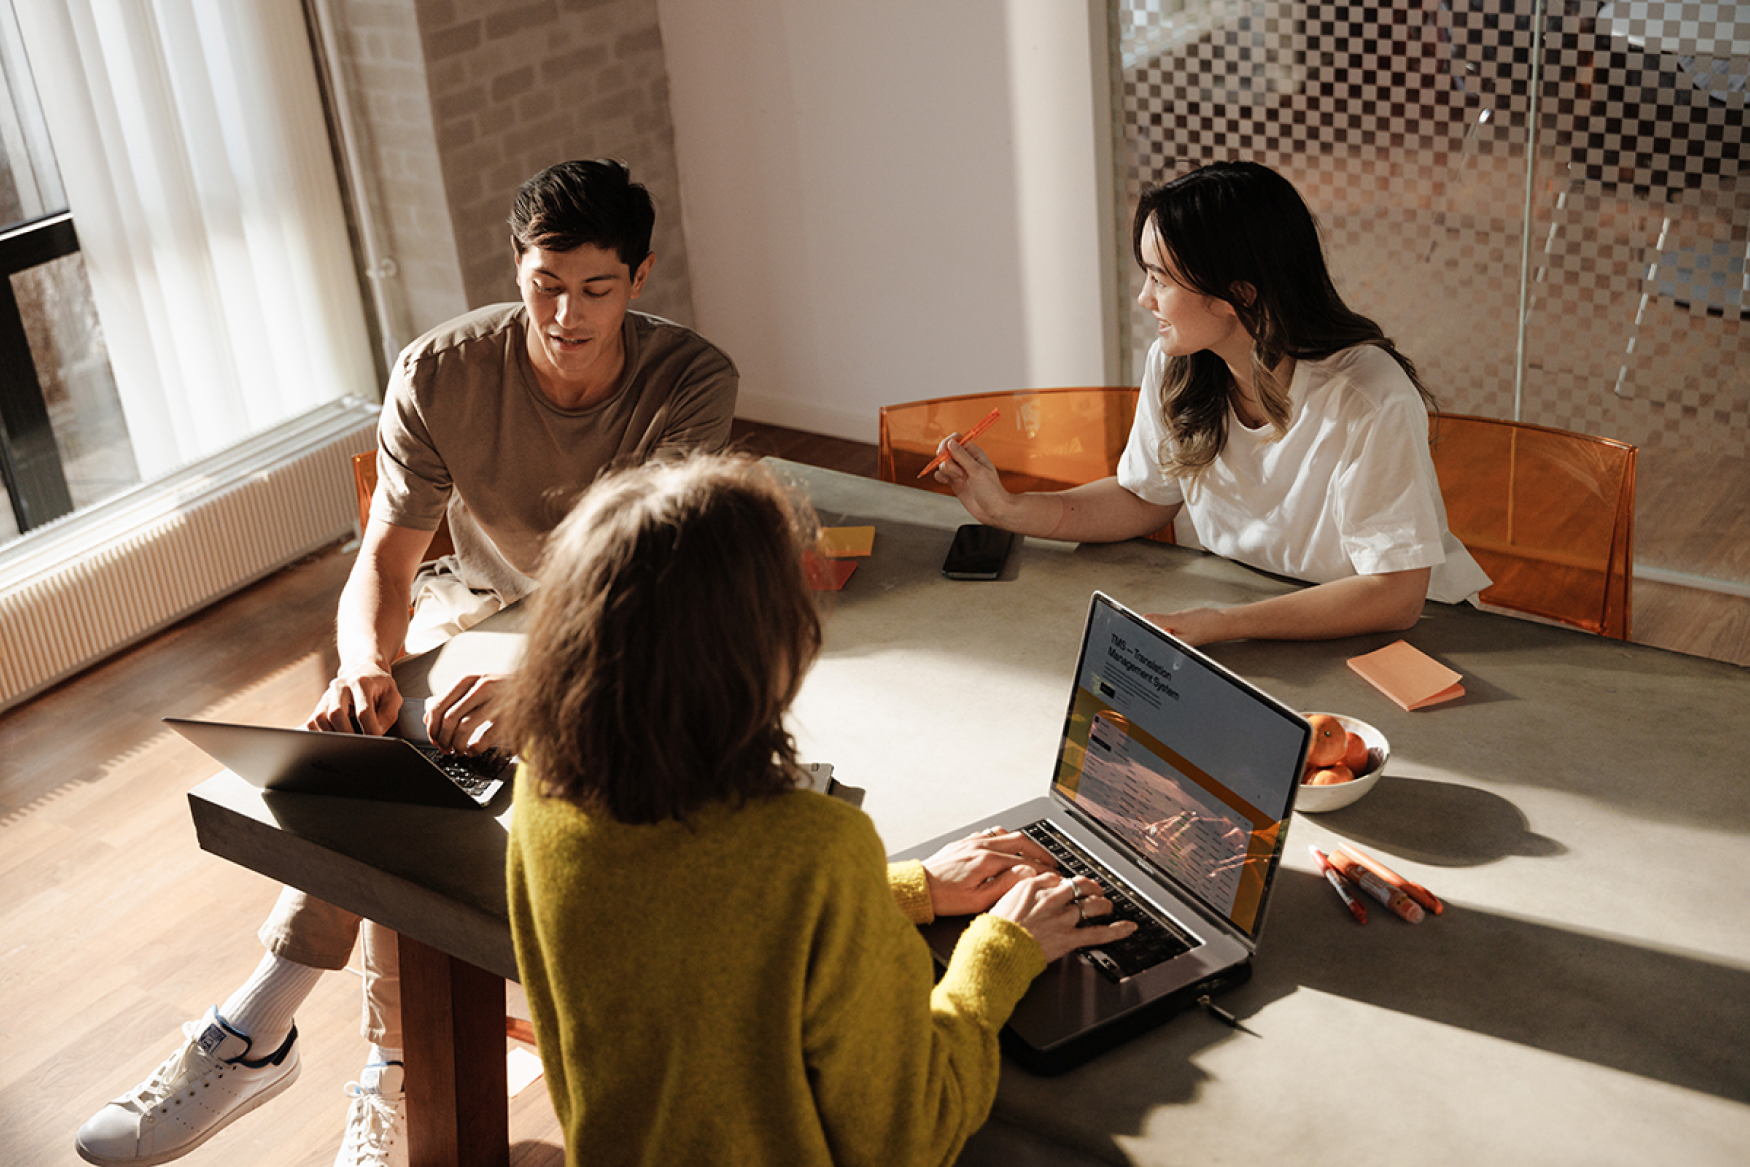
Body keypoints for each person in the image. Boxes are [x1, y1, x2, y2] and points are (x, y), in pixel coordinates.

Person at [76, 160, 738, 1167]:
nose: (567, 314)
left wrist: (544, 680)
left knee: (507, 777)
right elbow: (385, 558)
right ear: (515, 264)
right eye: (545, 283)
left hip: (619, 624)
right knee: (378, 747)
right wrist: (358, 663)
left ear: (639, 279)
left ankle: (284, 1038)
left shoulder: (690, 379)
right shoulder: (441, 369)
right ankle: (328, 1051)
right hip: (474, 612)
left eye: (597, 289)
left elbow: (651, 575)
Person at [503, 452, 1135, 1166]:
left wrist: (904, 890)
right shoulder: (812, 848)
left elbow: (700, 933)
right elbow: (909, 1133)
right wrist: (1002, 950)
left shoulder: (545, 783)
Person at [935, 160, 1489, 646]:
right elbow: (1143, 498)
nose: (1144, 298)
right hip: (1255, 614)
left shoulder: (1366, 397)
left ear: (1239, 295)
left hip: (1405, 637)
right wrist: (1009, 510)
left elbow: (1396, 597)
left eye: (1160, 278)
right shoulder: (1178, 361)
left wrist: (1224, 623)